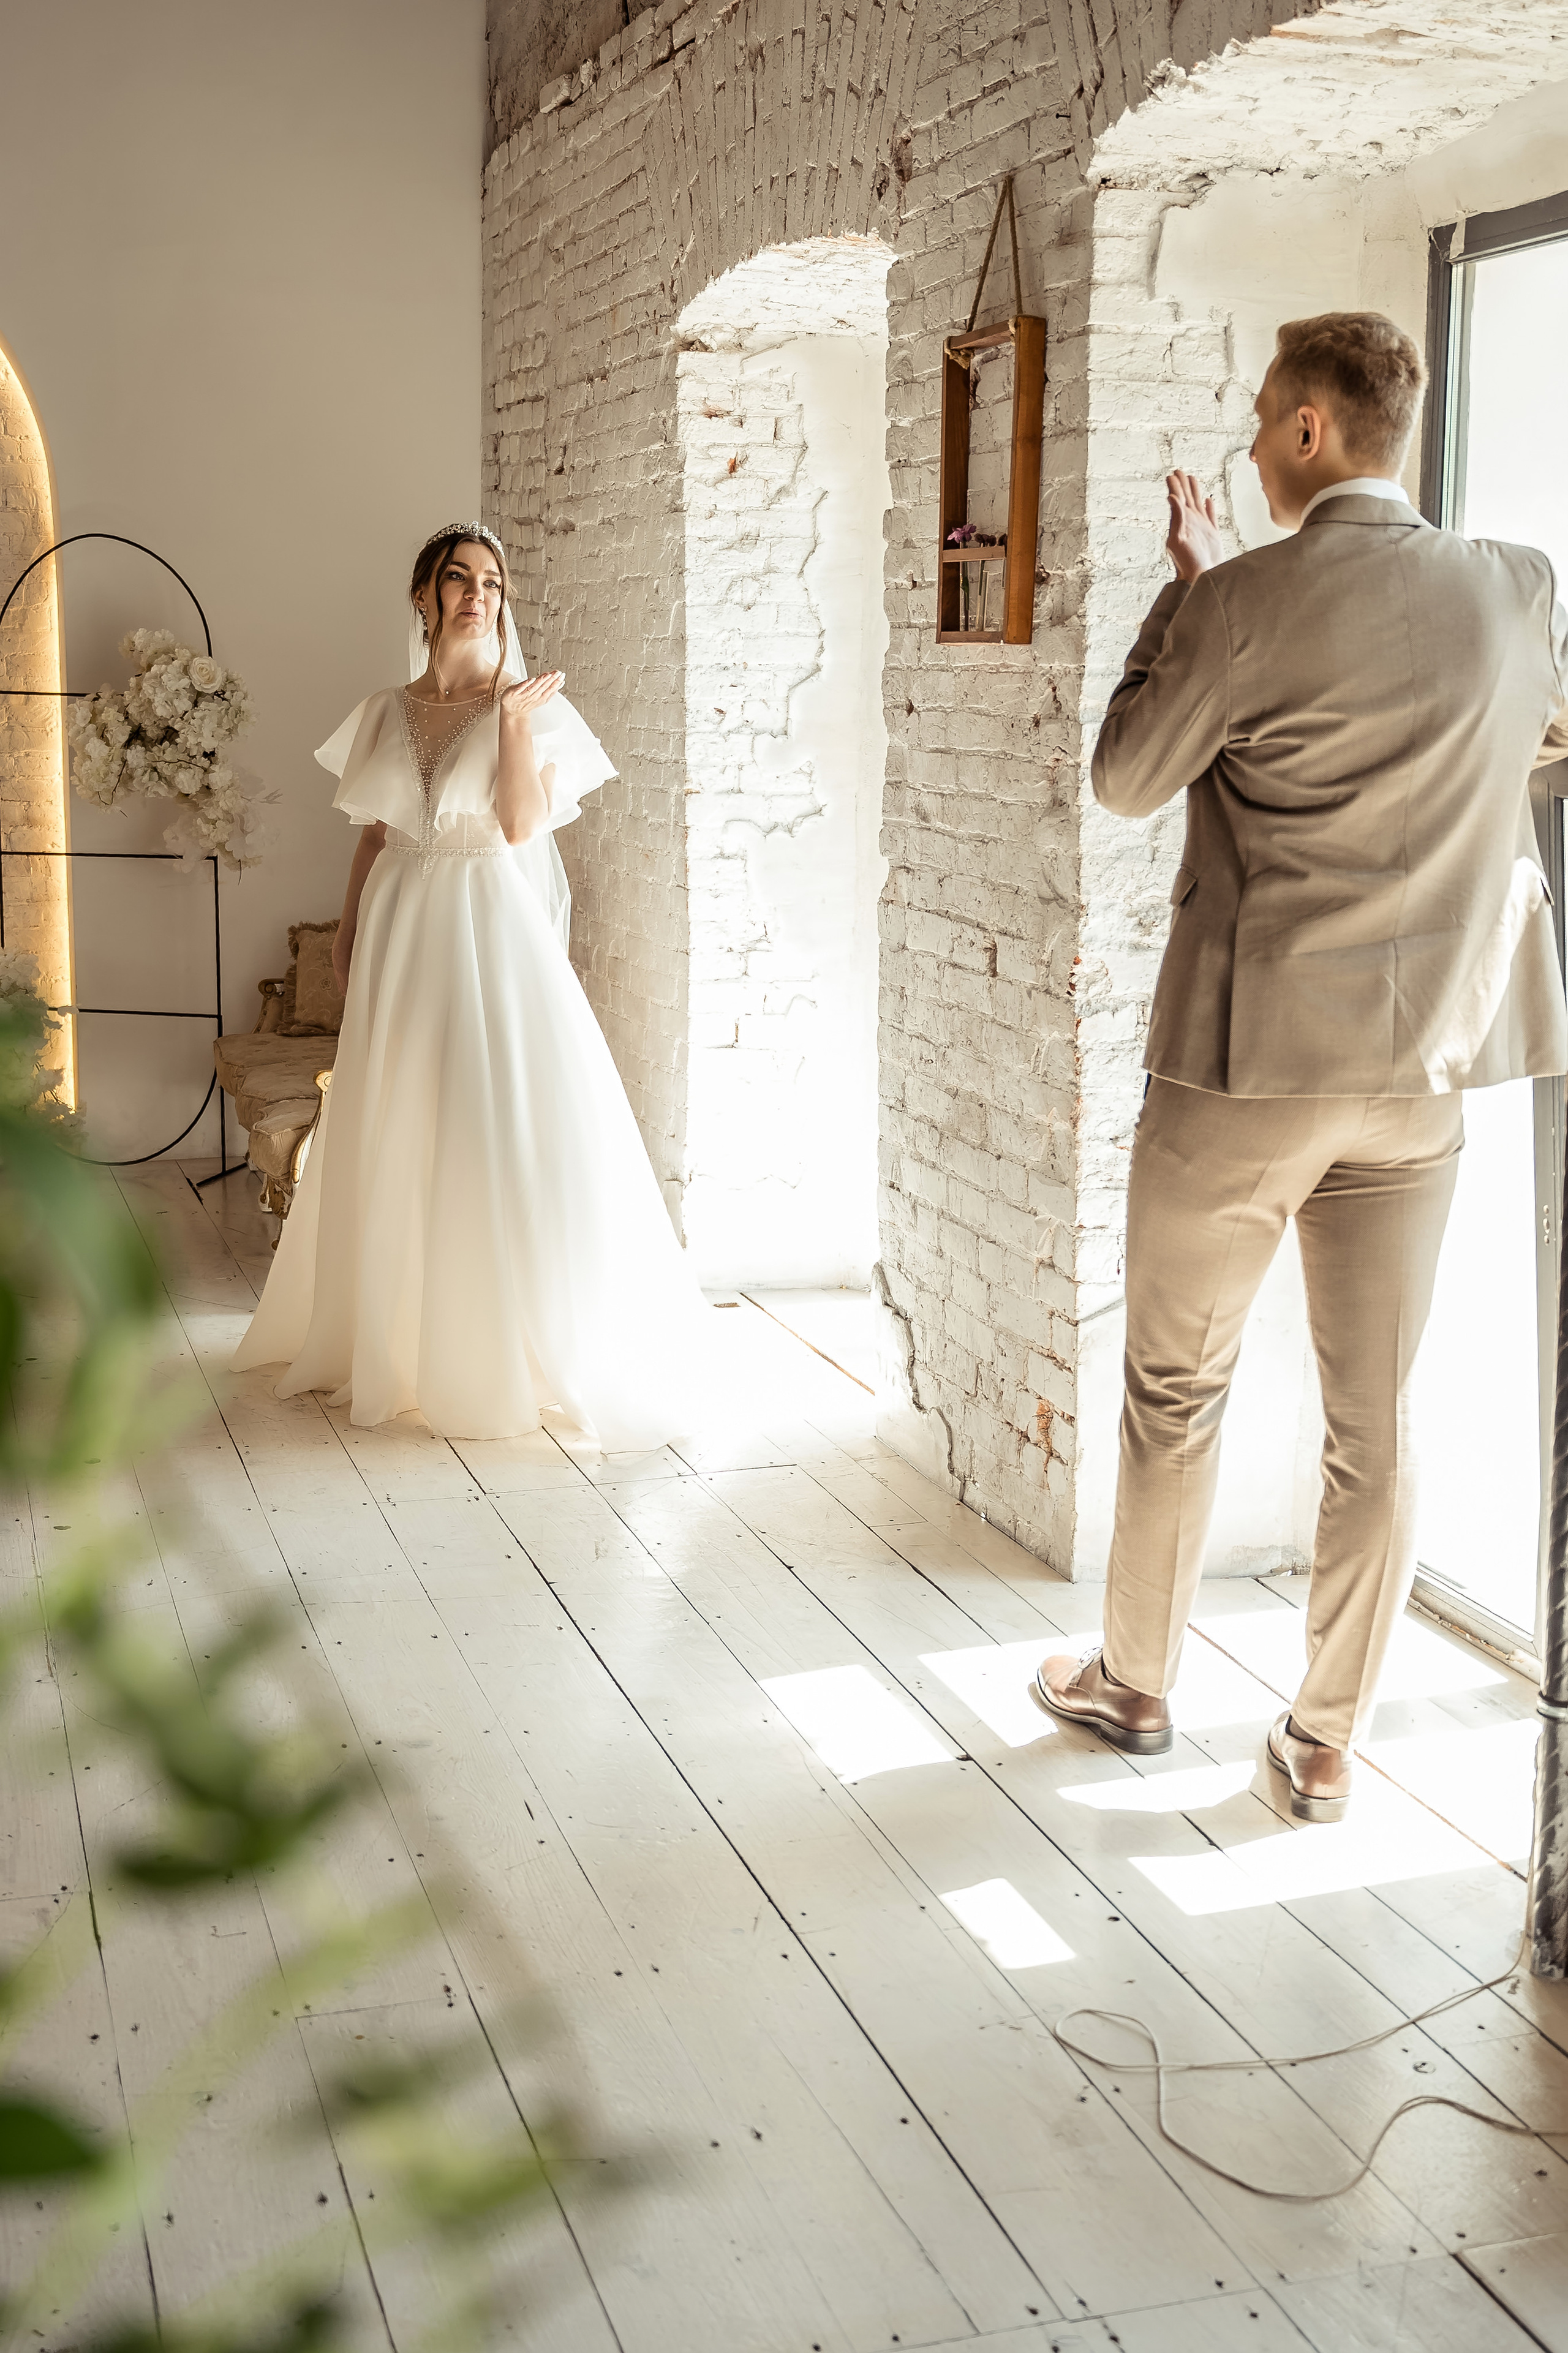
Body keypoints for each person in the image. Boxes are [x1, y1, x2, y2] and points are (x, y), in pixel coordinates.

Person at [1033, 312, 1568, 1821]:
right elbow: (1542, 737)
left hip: (1245, 1068)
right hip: (1421, 1073)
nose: (1253, 434)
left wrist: (1186, 598)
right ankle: (1324, 1741)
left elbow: (1125, 775)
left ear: (1310, 431)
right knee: (1374, 1417)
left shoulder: (1237, 602)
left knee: (1173, 1387)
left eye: (1264, 411)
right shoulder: (1516, 587)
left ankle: (1135, 1682)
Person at [234, 523, 713, 1448]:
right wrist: (346, 934)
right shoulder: (386, 709)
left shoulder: (528, 706)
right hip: (398, 923)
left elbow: (523, 827)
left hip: (484, 923)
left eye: (492, 583)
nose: (477, 596)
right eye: (458, 579)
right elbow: (372, 835)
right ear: (424, 596)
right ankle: (394, 1334)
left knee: (483, 1108)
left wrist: (515, 724)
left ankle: (493, 1339)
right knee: (398, 1106)